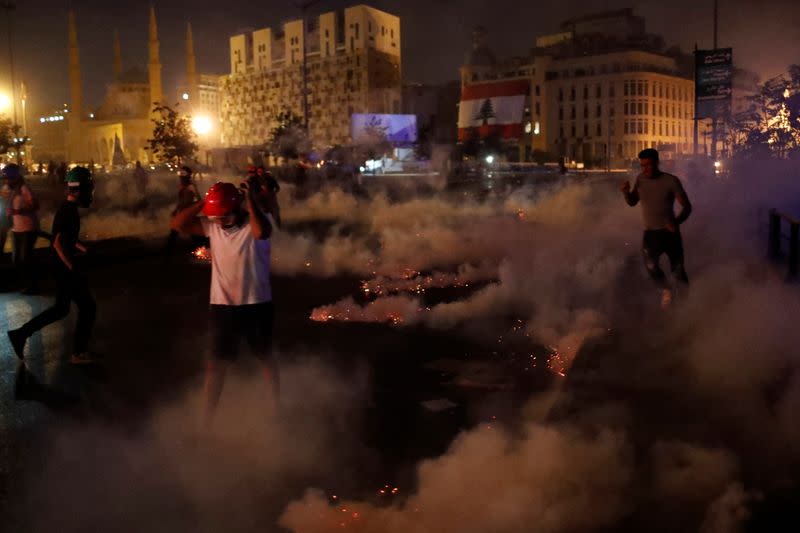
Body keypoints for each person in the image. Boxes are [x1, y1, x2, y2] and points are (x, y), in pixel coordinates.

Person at [170, 177, 280, 424]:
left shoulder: (257, 223)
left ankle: (276, 408)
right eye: (216, 217)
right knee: (216, 365)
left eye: (225, 216)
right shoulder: (214, 226)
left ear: (239, 208)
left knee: (265, 358)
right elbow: (177, 224)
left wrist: (249, 201)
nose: (220, 222)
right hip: (223, 306)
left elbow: (262, 232)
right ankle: (207, 419)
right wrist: (205, 203)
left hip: (256, 303)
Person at [8, 167, 97, 364]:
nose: (91, 193)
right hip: (64, 269)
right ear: (80, 189)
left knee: (61, 309)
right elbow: (58, 243)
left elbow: (65, 238)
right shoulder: (69, 212)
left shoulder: (68, 208)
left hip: (60, 267)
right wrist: (72, 266)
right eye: (89, 188)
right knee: (88, 307)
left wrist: (81, 247)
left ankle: (20, 334)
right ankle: (79, 353)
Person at [621, 148, 692, 308]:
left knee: (678, 270)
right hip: (651, 234)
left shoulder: (671, 181)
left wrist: (677, 221)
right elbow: (633, 201)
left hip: (670, 234)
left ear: (657, 163)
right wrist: (626, 193)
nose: (645, 169)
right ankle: (666, 290)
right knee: (651, 265)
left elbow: (687, 207)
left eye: (649, 165)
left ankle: (687, 304)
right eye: (642, 166)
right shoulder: (640, 179)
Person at [5, 164, 41, 293]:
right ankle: (25, 283)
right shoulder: (13, 191)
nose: (6, 181)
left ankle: (33, 285)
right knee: (16, 259)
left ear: (15, 178)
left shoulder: (25, 189)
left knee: (26, 258)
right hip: (16, 229)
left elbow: (35, 205)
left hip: (28, 228)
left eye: (8, 178)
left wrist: (18, 210)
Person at [165, 166, 203, 257]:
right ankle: (200, 249)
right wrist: (177, 209)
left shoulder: (191, 187)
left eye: (183, 175)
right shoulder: (184, 186)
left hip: (188, 213)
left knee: (176, 230)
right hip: (185, 213)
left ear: (188, 176)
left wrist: (186, 208)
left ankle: (168, 251)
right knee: (192, 233)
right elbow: (182, 200)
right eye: (180, 174)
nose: (181, 177)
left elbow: (196, 200)